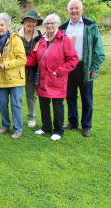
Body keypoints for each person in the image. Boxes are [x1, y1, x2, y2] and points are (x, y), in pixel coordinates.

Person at [26, 13, 78, 141]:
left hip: (57, 79)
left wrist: (59, 71)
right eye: (47, 23)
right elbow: (33, 58)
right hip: (43, 79)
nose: (49, 26)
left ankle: (58, 130)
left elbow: (73, 59)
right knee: (44, 104)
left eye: (52, 23)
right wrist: (19, 61)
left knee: (57, 107)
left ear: (58, 24)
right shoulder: (42, 40)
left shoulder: (64, 39)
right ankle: (46, 127)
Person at [60, 0, 105, 137]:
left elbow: (99, 50)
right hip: (68, 68)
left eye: (76, 8)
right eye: (71, 8)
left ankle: (86, 126)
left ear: (82, 9)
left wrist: (95, 67)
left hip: (84, 67)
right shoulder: (63, 27)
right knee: (70, 97)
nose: (74, 11)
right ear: (68, 10)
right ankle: (73, 122)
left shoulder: (90, 25)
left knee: (86, 98)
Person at [0, 13, 26, 139]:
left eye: (2, 25)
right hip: (2, 78)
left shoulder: (16, 39)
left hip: (16, 78)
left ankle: (18, 129)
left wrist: (6, 64)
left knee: (15, 104)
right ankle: (5, 126)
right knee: (1, 102)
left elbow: (22, 59)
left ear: (8, 25)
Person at [19, 11, 43, 128]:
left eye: (34, 21)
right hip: (17, 69)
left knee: (31, 95)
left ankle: (32, 117)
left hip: (33, 69)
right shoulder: (16, 34)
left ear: (37, 23)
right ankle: (17, 117)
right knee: (16, 95)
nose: (31, 24)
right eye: (29, 21)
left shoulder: (40, 36)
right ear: (24, 22)